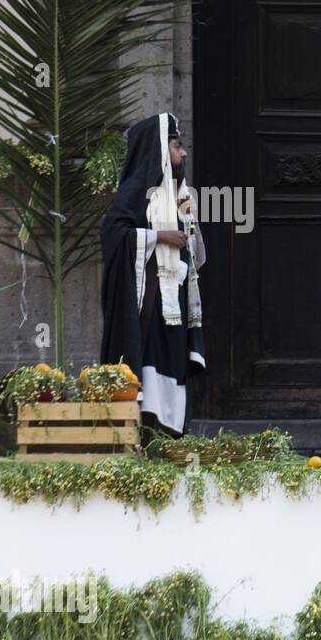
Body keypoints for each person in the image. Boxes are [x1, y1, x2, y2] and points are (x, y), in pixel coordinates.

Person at [100, 112, 205, 435]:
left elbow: (197, 257)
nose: (183, 153)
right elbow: (113, 233)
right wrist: (159, 236)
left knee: (172, 368)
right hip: (149, 307)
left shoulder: (179, 195)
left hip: (174, 306)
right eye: (177, 145)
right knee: (148, 372)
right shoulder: (134, 192)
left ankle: (169, 439)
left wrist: (192, 222)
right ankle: (144, 439)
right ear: (158, 149)